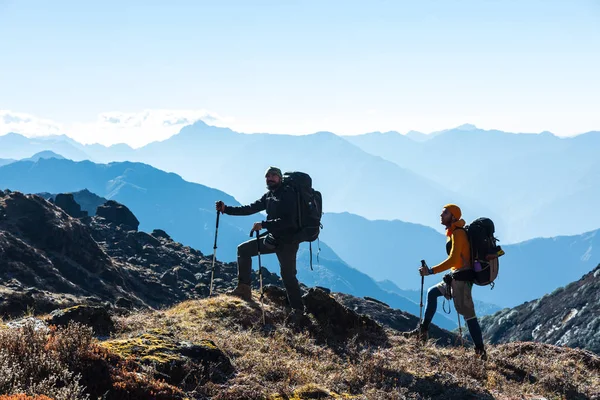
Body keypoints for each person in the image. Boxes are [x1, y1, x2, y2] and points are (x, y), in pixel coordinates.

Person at [215, 166, 304, 313]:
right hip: (273, 237)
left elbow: (289, 221)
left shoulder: (288, 194)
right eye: (267, 176)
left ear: (280, 178)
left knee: (288, 276)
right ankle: (244, 289)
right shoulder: (269, 196)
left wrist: (263, 224)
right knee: (243, 250)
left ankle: (298, 311)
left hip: (288, 241)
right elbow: (249, 209)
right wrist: (226, 209)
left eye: (273, 175)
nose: (270, 178)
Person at [404, 204, 487, 360]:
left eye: (445, 213)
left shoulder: (458, 234)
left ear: (453, 216)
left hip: (462, 279)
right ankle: (423, 331)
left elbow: (454, 259)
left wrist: (431, 271)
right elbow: (457, 260)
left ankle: (480, 352)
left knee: (469, 315)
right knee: (432, 293)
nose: (441, 216)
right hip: (456, 276)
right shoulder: (453, 233)